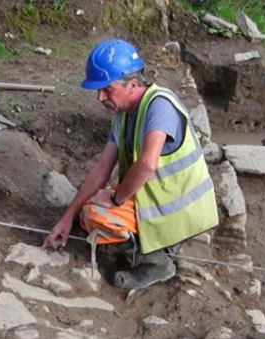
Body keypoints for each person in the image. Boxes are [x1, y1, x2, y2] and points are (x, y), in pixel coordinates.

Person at [43, 38, 219, 289]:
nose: (100, 96)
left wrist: (115, 200)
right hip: (154, 198)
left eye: (107, 89)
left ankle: (157, 261)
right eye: (98, 89)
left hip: (180, 209)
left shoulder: (160, 107)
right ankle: (156, 243)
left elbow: (147, 164)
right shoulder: (123, 115)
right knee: (86, 212)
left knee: (97, 215)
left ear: (133, 84)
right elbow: (101, 170)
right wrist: (67, 217)